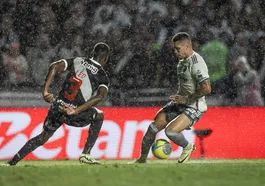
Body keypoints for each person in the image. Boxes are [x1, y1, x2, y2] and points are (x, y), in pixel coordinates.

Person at [3, 42, 111, 166]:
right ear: (105, 58)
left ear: (93, 53)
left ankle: (12, 162)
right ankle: (86, 153)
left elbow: (54, 66)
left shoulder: (77, 60)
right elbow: (100, 96)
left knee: (43, 137)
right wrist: (76, 110)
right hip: (73, 112)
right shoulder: (102, 76)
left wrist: (45, 91)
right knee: (99, 115)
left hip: (57, 106)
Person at [131, 32, 211, 164]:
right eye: (174, 48)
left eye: (177, 49)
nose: (175, 52)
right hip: (181, 103)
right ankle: (142, 159)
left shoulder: (197, 63)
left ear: (186, 46)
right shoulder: (181, 62)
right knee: (153, 127)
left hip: (194, 106)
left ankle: (188, 146)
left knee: (171, 132)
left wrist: (187, 99)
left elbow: (207, 88)